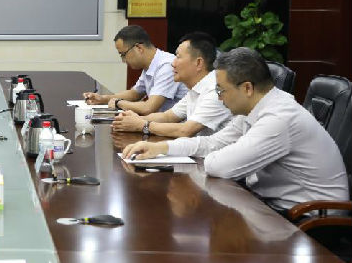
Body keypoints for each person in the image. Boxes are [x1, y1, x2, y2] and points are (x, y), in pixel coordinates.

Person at [122, 47, 348, 213]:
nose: (219, 98)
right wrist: (161, 148)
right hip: (277, 207)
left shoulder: (279, 118)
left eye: (221, 90)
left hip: (311, 219)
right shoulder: (254, 108)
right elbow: (212, 143)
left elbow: (220, 166)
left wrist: (220, 153)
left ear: (247, 88)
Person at [113, 32, 232, 137]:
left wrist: (141, 124)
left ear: (198, 62)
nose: (173, 64)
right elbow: (168, 117)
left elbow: (186, 130)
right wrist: (132, 120)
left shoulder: (215, 90)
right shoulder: (196, 89)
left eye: (178, 57)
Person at [84, 25, 187, 114]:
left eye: (123, 54)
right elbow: (134, 94)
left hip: (178, 126)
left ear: (139, 48)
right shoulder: (150, 65)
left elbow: (149, 108)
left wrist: (118, 103)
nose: (123, 60)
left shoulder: (167, 66)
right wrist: (103, 99)